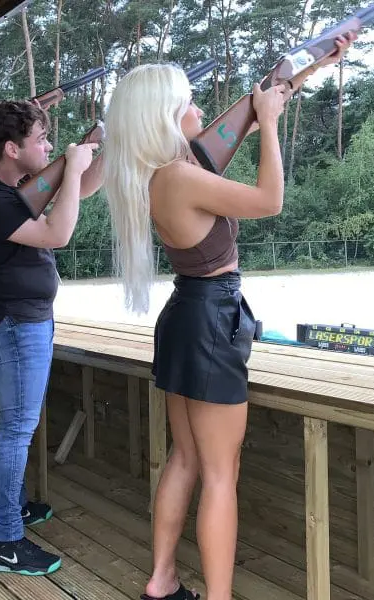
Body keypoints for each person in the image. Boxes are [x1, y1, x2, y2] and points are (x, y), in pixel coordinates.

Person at [101, 37, 354, 600]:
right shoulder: (182, 176)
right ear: (166, 117)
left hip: (188, 317)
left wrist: (311, 66)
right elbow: (269, 201)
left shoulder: (160, 172)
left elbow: (244, 115)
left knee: (186, 458)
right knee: (220, 472)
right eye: (188, 102)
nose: (198, 109)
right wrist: (271, 124)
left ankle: (162, 580)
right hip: (212, 320)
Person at [0, 100, 101, 576]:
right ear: (10, 148)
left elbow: (79, 190)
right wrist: (74, 164)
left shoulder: (7, 188)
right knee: (17, 430)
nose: (48, 146)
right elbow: (58, 233)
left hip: (20, 320)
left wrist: (100, 152)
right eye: (40, 139)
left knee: (15, 425)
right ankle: (4, 541)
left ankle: (15, 506)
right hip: (15, 324)